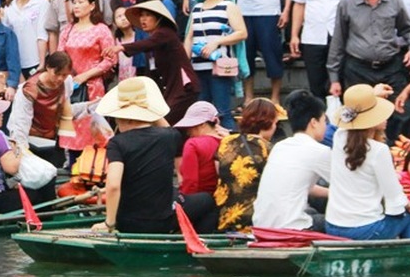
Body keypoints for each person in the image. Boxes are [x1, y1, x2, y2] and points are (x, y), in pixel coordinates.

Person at [328, 0, 410, 142]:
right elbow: (338, 40)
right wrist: (334, 78)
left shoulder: (394, 1)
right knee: (358, 114)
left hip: (390, 66)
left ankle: (397, 152)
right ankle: (359, 150)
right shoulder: (347, 4)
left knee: (402, 111)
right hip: (358, 67)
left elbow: (409, 30)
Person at [326, 83, 410, 240]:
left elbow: (351, 120)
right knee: (409, 216)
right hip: (364, 230)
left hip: (332, 226)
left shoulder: (339, 137)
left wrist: (371, 96)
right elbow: (395, 202)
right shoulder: (379, 151)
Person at [89, 77, 180, 234]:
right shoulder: (171, 136)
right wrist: (148, 110)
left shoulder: (117, 143)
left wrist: (109, 223)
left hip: (129, 223)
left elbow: (113, 185)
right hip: (165, 222)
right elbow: (167, 128)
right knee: (205, 200)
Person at [109, 0, 199, 125]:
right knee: (172, 124)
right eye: (141, 15)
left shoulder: (165, 33)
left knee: (165, 122)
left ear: (158, 18)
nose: (143, 19)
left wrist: (122, 47)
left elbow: (147, 44)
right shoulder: (154, 38)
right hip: (171, 89)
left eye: (147, 15)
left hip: (184, 87)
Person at [252, 90, 331, 231]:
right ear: (313, 122)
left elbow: (303, 185)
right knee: (338, 222)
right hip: (290, 229)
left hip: (262, 227)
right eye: (324, 120)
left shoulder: (280, 146)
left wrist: (330, 193)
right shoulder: (318, 151)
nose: (326, 126)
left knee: (312, 212)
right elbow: (348, 185)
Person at [183, 0, 248, 130]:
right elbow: (189, 37)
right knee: (200, 112)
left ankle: (231, 147)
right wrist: (184, 64)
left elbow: (241, 32)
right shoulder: (196, 8)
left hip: (220, 66)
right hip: (197, 66)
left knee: (222, 111)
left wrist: (217, 42)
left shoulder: (228, 6)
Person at [58, 0, 117, 163]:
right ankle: (72, 166)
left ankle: (94, 168)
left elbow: (110, 60)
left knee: (92, 129)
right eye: (74, 2)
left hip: (93, 86)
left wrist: (86, 75)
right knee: (71, 128)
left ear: (92, 6)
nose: (76, 6)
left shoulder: (101, 30)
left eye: (81, 2)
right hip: (70, 86)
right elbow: (59, 55)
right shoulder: (68, 29)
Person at [214, 98, 280, 232]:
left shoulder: (226, 142)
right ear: (269, 122)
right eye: (275, 123)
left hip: (225, 218)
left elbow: (218, 170)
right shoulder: (267, 148)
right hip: (254, 223)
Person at [7, 51, 74, 165]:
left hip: (53, 138)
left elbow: (65, 109)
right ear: (48, 67)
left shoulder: (66, 82)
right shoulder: (30, 89)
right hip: (32, 139)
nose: (60, 78)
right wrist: (23, 154)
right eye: (57, 74)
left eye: (64, 75)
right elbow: (21, 122)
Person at [171, 101, 222, 234]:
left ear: (203, 125)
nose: (188, 132)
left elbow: (190, 183)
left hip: (200, 203)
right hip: (220, 203)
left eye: (191, 127)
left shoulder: (193, 144)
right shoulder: (227, 142)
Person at [2, 0, 49, 76]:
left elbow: (42, 34)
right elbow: (7, 38)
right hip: (17, 62)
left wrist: (42, 62)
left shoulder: (42, 3)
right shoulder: (9, 8)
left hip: (37, 60)